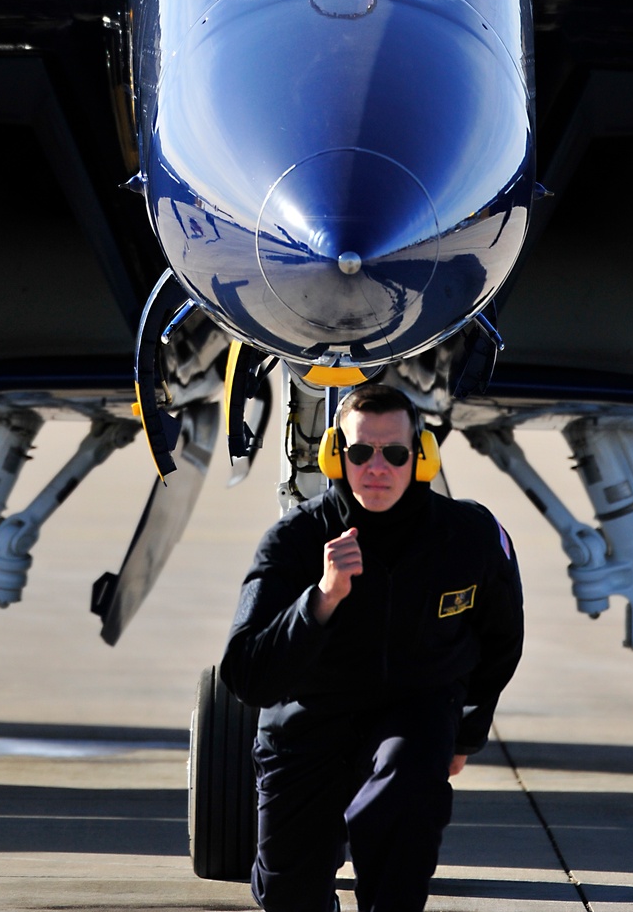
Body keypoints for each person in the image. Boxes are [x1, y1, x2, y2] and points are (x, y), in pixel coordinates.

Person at [220, 381, 524, 912]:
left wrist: (466, 734)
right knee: (290, 896)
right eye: (360, 452)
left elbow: (501, 640)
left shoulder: (468, 537)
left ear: (421, 457)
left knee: (407, 791)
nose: (376, 467)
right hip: (309, 721)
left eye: (395, 453)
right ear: (336, 455)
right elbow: (247, 675)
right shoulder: (294, 541)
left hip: (415, 711)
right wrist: (321, 600)